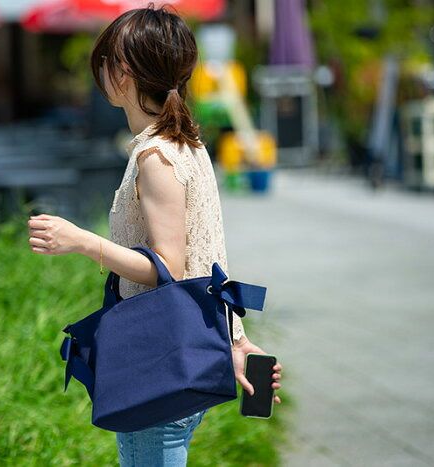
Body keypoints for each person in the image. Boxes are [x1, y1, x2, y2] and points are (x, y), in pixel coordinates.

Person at [27, 4, 283, 466]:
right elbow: (208, 255)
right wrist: (235, 341)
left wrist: (81, 241)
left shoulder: (156, 158)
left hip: (159, 365)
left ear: (123, 72)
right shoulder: (187, 145)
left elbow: (169, 267)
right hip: (180, 355)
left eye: (104, 62)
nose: (100, 73)